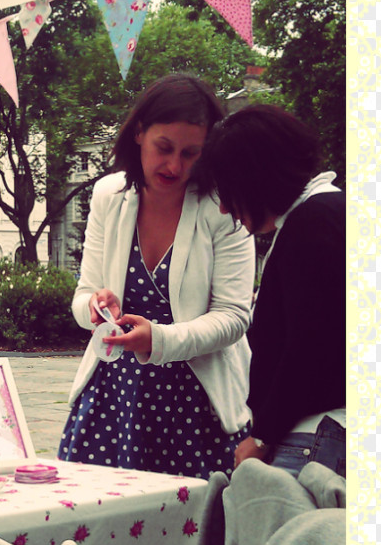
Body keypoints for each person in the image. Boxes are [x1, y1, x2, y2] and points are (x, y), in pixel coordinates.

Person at [58, 73, 254, 480]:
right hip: (114, 401)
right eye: (164, 148)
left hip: (199, 409)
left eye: (191, 153)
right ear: (139, 134)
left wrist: (159, 340)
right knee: (99, 530)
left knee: (199, 538)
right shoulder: (107, 196)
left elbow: (234, 317)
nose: (174, 165)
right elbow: (82, 297)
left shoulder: (224, 207)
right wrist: (95, 309)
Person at [193, 104, 345, 477]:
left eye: (228, 191)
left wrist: (262, 436)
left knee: (278, 533)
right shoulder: (330, 213)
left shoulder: (311, 225)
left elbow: (308, 349)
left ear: (256, 178)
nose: (227, 208)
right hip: (327, 426)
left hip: (317, 433)